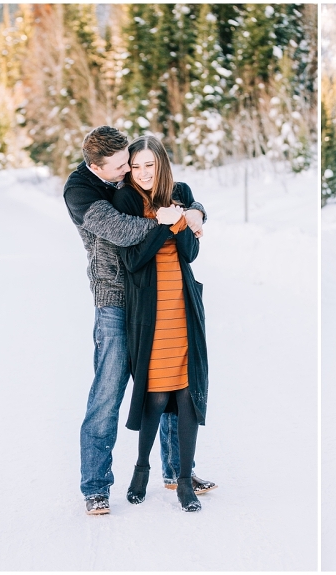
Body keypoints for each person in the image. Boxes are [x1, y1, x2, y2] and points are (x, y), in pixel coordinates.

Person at [63, 126, 214, 515]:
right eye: (120, 167)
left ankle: (177, 470)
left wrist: (193, 211)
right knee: (109, 390)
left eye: (130, 163)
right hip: (115, 297)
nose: (128, 171)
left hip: (153, 295)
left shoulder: (132, 176)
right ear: (96, 166)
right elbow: (121, 230)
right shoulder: (80, 189)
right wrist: (172, 220)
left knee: (171, 375)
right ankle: (95, 486)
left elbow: (178, 194)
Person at [111, 135, 209, 512]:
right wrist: (166, 225)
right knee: (154, 389)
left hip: (183, 305)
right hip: (148, 310)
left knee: (186, 390)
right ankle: (141, 469)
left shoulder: (181, 191)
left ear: (162, 164)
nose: (143, 173)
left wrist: (184, 218)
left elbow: (191, 254)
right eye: (136, 166)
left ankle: (184, 480)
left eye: (150, 165)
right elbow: (133, 261)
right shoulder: (126, 200)